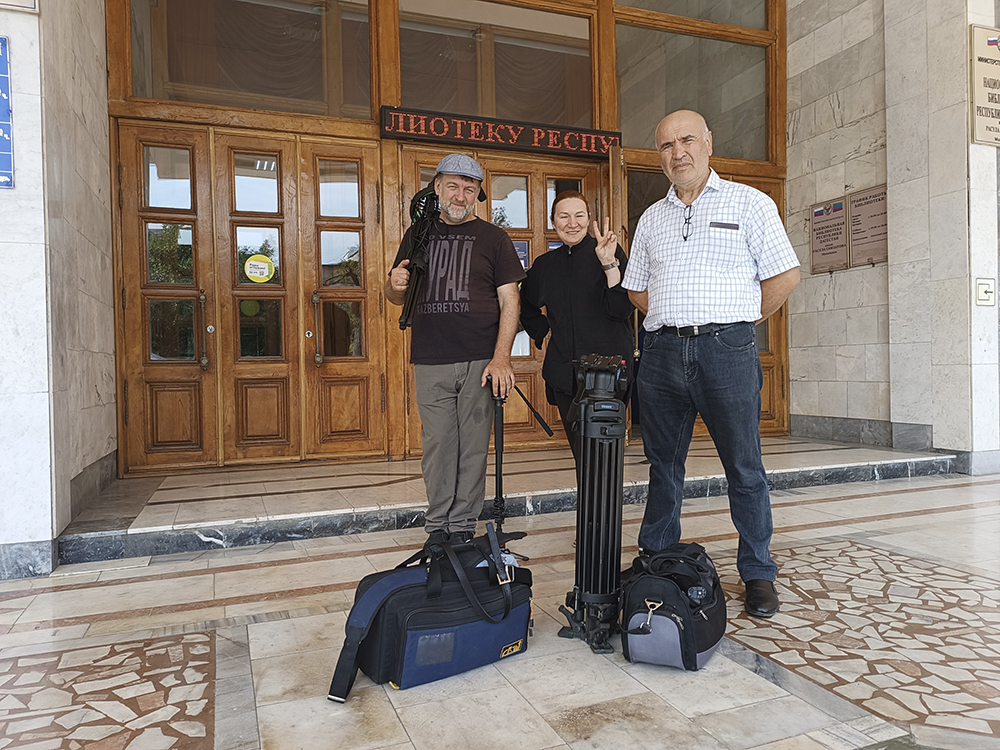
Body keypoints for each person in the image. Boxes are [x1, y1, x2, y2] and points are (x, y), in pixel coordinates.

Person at [621, 110, 800, 618]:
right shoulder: (651, 218)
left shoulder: (750, 202)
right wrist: (670, 313)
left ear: (708, 143)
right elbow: (636, 288)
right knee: (663, 466)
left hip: (727, 351)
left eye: (687, 141)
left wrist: (737, 321)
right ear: (659, 156)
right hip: (661, 354)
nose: (677, 152)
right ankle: (656, 558)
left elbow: (785, 275)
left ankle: (758, 572)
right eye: (666, 145)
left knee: (744, 467)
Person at [384, 153, 525, 547]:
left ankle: (462, 526)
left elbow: (510, 300)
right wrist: (393, 285)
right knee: (438, 445)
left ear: (477, 193)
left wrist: (502, 358)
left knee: (473, 447)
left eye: (469, 188)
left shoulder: (494, 238)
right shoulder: (418, 234)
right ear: (437, 187)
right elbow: (396, 295)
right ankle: (438, 527)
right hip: (431, 358)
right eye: (452, 186)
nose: (460, 195)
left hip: (481, 359)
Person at [520, 191, 634, 466]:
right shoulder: (545, 266)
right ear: (553, 222)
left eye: (579, 215)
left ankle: (604, 497)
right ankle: (586, 496)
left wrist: (609, 264)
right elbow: (525, 304)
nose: (572, 223)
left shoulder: (610, 252)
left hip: (608, 373)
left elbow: (621, 310)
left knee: (605, 457)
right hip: (565, 374)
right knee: (581, 456)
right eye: (564, 216)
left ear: (589, 219)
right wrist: (543, 330)